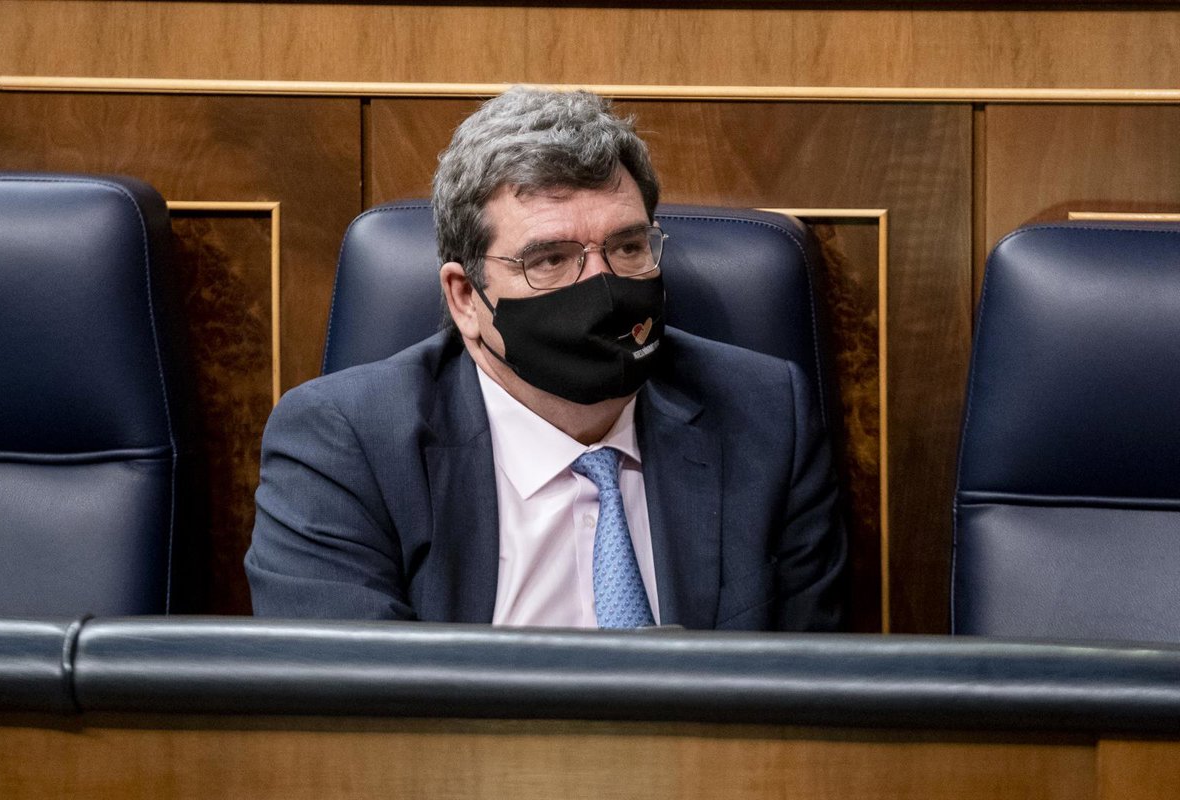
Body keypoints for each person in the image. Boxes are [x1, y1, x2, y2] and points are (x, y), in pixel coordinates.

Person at [245, 87, 846, 630]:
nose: (603, 287)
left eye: (627, 247)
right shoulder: (343, 446)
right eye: (550, 260)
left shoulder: (767, 417)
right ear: (466, 298)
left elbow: (805, 689)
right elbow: (354, 700)